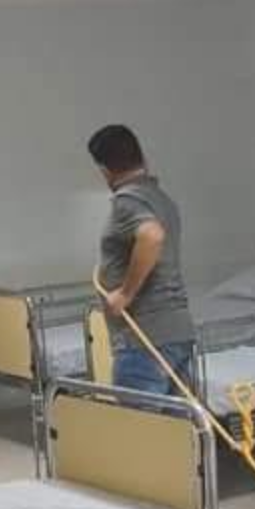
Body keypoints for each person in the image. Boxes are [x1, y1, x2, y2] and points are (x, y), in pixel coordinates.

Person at [89, 125, 195, 395]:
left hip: (144, 339)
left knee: (140, 422)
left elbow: (152, 236)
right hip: (176, 332)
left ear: (104, 171)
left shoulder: (128, 201)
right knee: (174, 420)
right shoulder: (161, 198)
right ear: (143, 158)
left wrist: (125, 293)